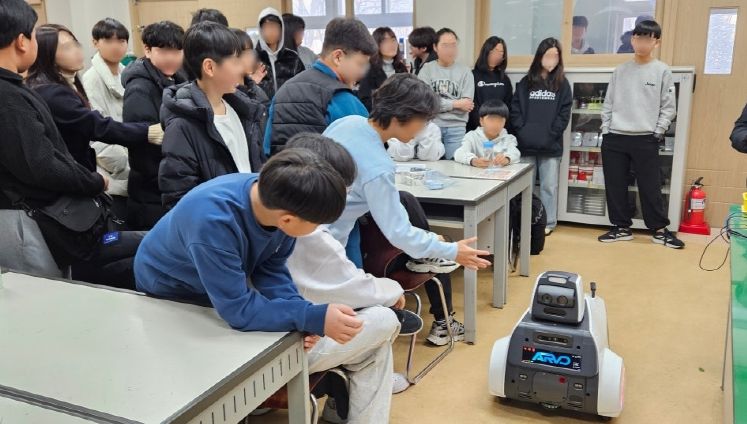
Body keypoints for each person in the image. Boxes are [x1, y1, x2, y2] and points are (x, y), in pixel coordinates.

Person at [135, 148, 397, 423]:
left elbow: (271, 267)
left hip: (217, 296)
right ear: (288, 220)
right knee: (379, 330)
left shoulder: (273, 199)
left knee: (373, 337)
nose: (318, 229)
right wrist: (310, 316)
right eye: (317, 224)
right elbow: (238, 311)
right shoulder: (213, 222)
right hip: (175, 305)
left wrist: (304, 317)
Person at [324, 74, 492, 345]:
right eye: (423, 120)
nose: (424, 128)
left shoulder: (348, 123)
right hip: (327, 248)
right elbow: (399, 232)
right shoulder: (378, 168)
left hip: (307, 237)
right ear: (402, 115)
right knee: (362, 317)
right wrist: (451, 250)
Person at [0, 0, 144, 288]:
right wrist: (93, 181)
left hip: (30, 214)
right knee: (45, 293)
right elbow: (43, 164)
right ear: (22, 42)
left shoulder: (14, 89)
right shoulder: (9, 97)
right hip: (27, 219)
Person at [284, 133, 416, 399]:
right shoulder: (310, 232)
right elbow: (354, 288)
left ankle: (342, 398)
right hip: (286, 347)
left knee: (370, 341)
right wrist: (393, 291)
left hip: (265, 332)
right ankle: (348, 401)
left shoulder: (264, 210)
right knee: (383, 319)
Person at [27, 24, 162, 215]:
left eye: (75, 44)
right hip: (72, 182)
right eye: (66, 47)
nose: (76, 50)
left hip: (82, 175)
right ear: (47, 54)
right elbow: (95, 125)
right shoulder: (52, 92)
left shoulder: (67, 82)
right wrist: (147, 132)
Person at [158, 22, 266, 210]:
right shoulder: (182, 125)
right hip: (219, 222)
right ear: (209, 67)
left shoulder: (241, 110)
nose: (241, 69)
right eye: (235, 62)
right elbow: (179, 199)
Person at [598, 20, 683, 249]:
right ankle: (621, 228)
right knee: (615, 185)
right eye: (638, 37)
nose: (641, 42)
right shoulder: (620, 70)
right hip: (615, 136)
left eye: (647, 38)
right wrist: (606, 129)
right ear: (632, 40)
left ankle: (659, 230)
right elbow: (608, 103)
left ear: (656, 42)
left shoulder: (662, 70)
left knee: (650, 186)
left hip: (646, 137)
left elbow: (669, 107)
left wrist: (658, 131)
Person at [264, 17, 375, 155]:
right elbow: (368, 154)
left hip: (282, 168)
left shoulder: (283, 92)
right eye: (360, 64)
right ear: (338, 57)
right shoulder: (343, 100)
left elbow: (267, 148)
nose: (362, 73)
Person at [122, 20, 186, 230]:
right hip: (151, 192)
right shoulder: (139, 88)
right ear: (147, 50)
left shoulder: (177, 79)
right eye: (164, 51)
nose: (171, 58)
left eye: (177, 51)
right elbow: (142, 145)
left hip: (170, 184)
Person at [511, 37, 571, 236]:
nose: (552, 59)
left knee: (548, 187)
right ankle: (525, 221)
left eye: (556, 55)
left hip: (551, 146)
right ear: (540, 56)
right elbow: (515, 110)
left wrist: (551, 134)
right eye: (548, 55)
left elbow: (564, 114)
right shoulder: (525, 82)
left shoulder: (562, 84)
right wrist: (522, 131)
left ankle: (548, 222)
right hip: (526, 145)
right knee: (525, 187)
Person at [81, 18, 131, 219]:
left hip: (131, 159)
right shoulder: (91, 78)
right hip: (112, 169)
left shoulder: (126, 74)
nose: (116, 46)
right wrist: (124, 164)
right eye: (109, 41)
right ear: (95, 43)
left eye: (121, 41)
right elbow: (96, 132)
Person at [418, 28, 475, 160]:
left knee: (455, 164)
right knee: (431, 165)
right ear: (435, 47)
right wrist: (455, 104)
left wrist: (439, 104)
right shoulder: (427, 70)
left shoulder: (465, 71)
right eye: (445, 45)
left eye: (453, 45)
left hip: (456, 127)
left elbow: (466, 105)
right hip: (431, 125)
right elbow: (426, 103)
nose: (450, 50)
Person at [255, 7, 304, 99]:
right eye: (266, 27)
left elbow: (303, 85)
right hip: (262, 106)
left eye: (274, 27)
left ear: (281, 29)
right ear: (260, 30)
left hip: (288, 105)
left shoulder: (292, 57)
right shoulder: (253, 58)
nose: (270, 31)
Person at [455, 99, 519, 167]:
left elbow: (515, 153)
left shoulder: (509, 138)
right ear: (481, 121)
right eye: (491, 120)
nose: (495, 124)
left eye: (500, 120)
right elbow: (459, 153)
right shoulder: (471, 136)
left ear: (505, 122)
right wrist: (473, 161)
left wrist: (506, 159)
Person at [358, 26, 408, 112]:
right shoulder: (369, 69)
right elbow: (365, 100)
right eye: (385, 41)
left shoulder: (401, 68)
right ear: (376, 45)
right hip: (379, 116)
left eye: (393, 40)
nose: (391, 45)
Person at [469, 36, 512, 132]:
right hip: (477, 130)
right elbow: (471, 105)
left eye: (501, 53)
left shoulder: (504, 79)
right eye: (495, 51)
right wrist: (483, 125)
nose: (497, 56)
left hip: (499, 129)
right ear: (486, 51)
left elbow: (508, 106)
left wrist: (499, 126)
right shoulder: (472, 75)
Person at [231, 28, 270, 106]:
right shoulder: (228, 92)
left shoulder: (253, 87)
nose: (252, 58)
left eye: (251, 52)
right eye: (247, 53)